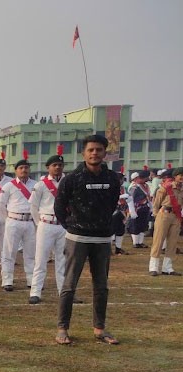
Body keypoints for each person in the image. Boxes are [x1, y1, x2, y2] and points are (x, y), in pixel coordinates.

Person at [54, 135, 121, 345]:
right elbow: (59, 206)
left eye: (99, 150)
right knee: (69, 285)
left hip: (101, 239)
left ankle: (99, 328)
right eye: (91, 150)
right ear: (84, 153)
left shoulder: (112, 178)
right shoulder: (72, 178)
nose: (95, 153)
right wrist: (72, 226)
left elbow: (111, 205)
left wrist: (101, 226)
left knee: (101, 286)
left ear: (105, 153)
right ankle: (62, 329)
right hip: (77, 238)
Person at [28, 153, 67, 304]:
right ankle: (35, 292)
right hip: (46, 223)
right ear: (48, 167)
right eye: (54, 165)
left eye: (60, 165)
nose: (57, 167)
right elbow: (33, 207)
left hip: (63, 225)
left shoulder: (67, 182)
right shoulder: (41, 185)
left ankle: (63, 291)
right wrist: (40, 224)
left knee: (62, 260)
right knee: (41, 259)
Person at [0, 157, 37, 292]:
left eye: (26, 167)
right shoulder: (9, 185)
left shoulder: (35, 185)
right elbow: (1, 205)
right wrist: (8, 219)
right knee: (9, 252)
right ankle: (7, 280)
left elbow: (37, 204)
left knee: (30, 252)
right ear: (16, 171)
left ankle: (31, 279)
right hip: (13, 221)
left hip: (30, 222)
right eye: (21, 168)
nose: (24, 170)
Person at [149, 168, 183, 275]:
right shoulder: (166, 187)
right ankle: (153, 267)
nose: (182, 177)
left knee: (172, 242)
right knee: (158, 241)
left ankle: (167, 267)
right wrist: (156, 215)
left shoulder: (182, 189)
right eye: (180, 175)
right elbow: (156, 202)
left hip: (176, 216)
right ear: (175, 176)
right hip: (164, 214)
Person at [128, 170, 152, 248]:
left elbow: (148, 197)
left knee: (143, 225)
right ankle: (136, 242)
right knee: (135, 225)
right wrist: (132, 211)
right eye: (147, 177)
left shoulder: (146, 186)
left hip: (145, 208)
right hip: (136, 209)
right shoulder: (134, 186)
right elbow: (130, 199)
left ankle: (140, 242)